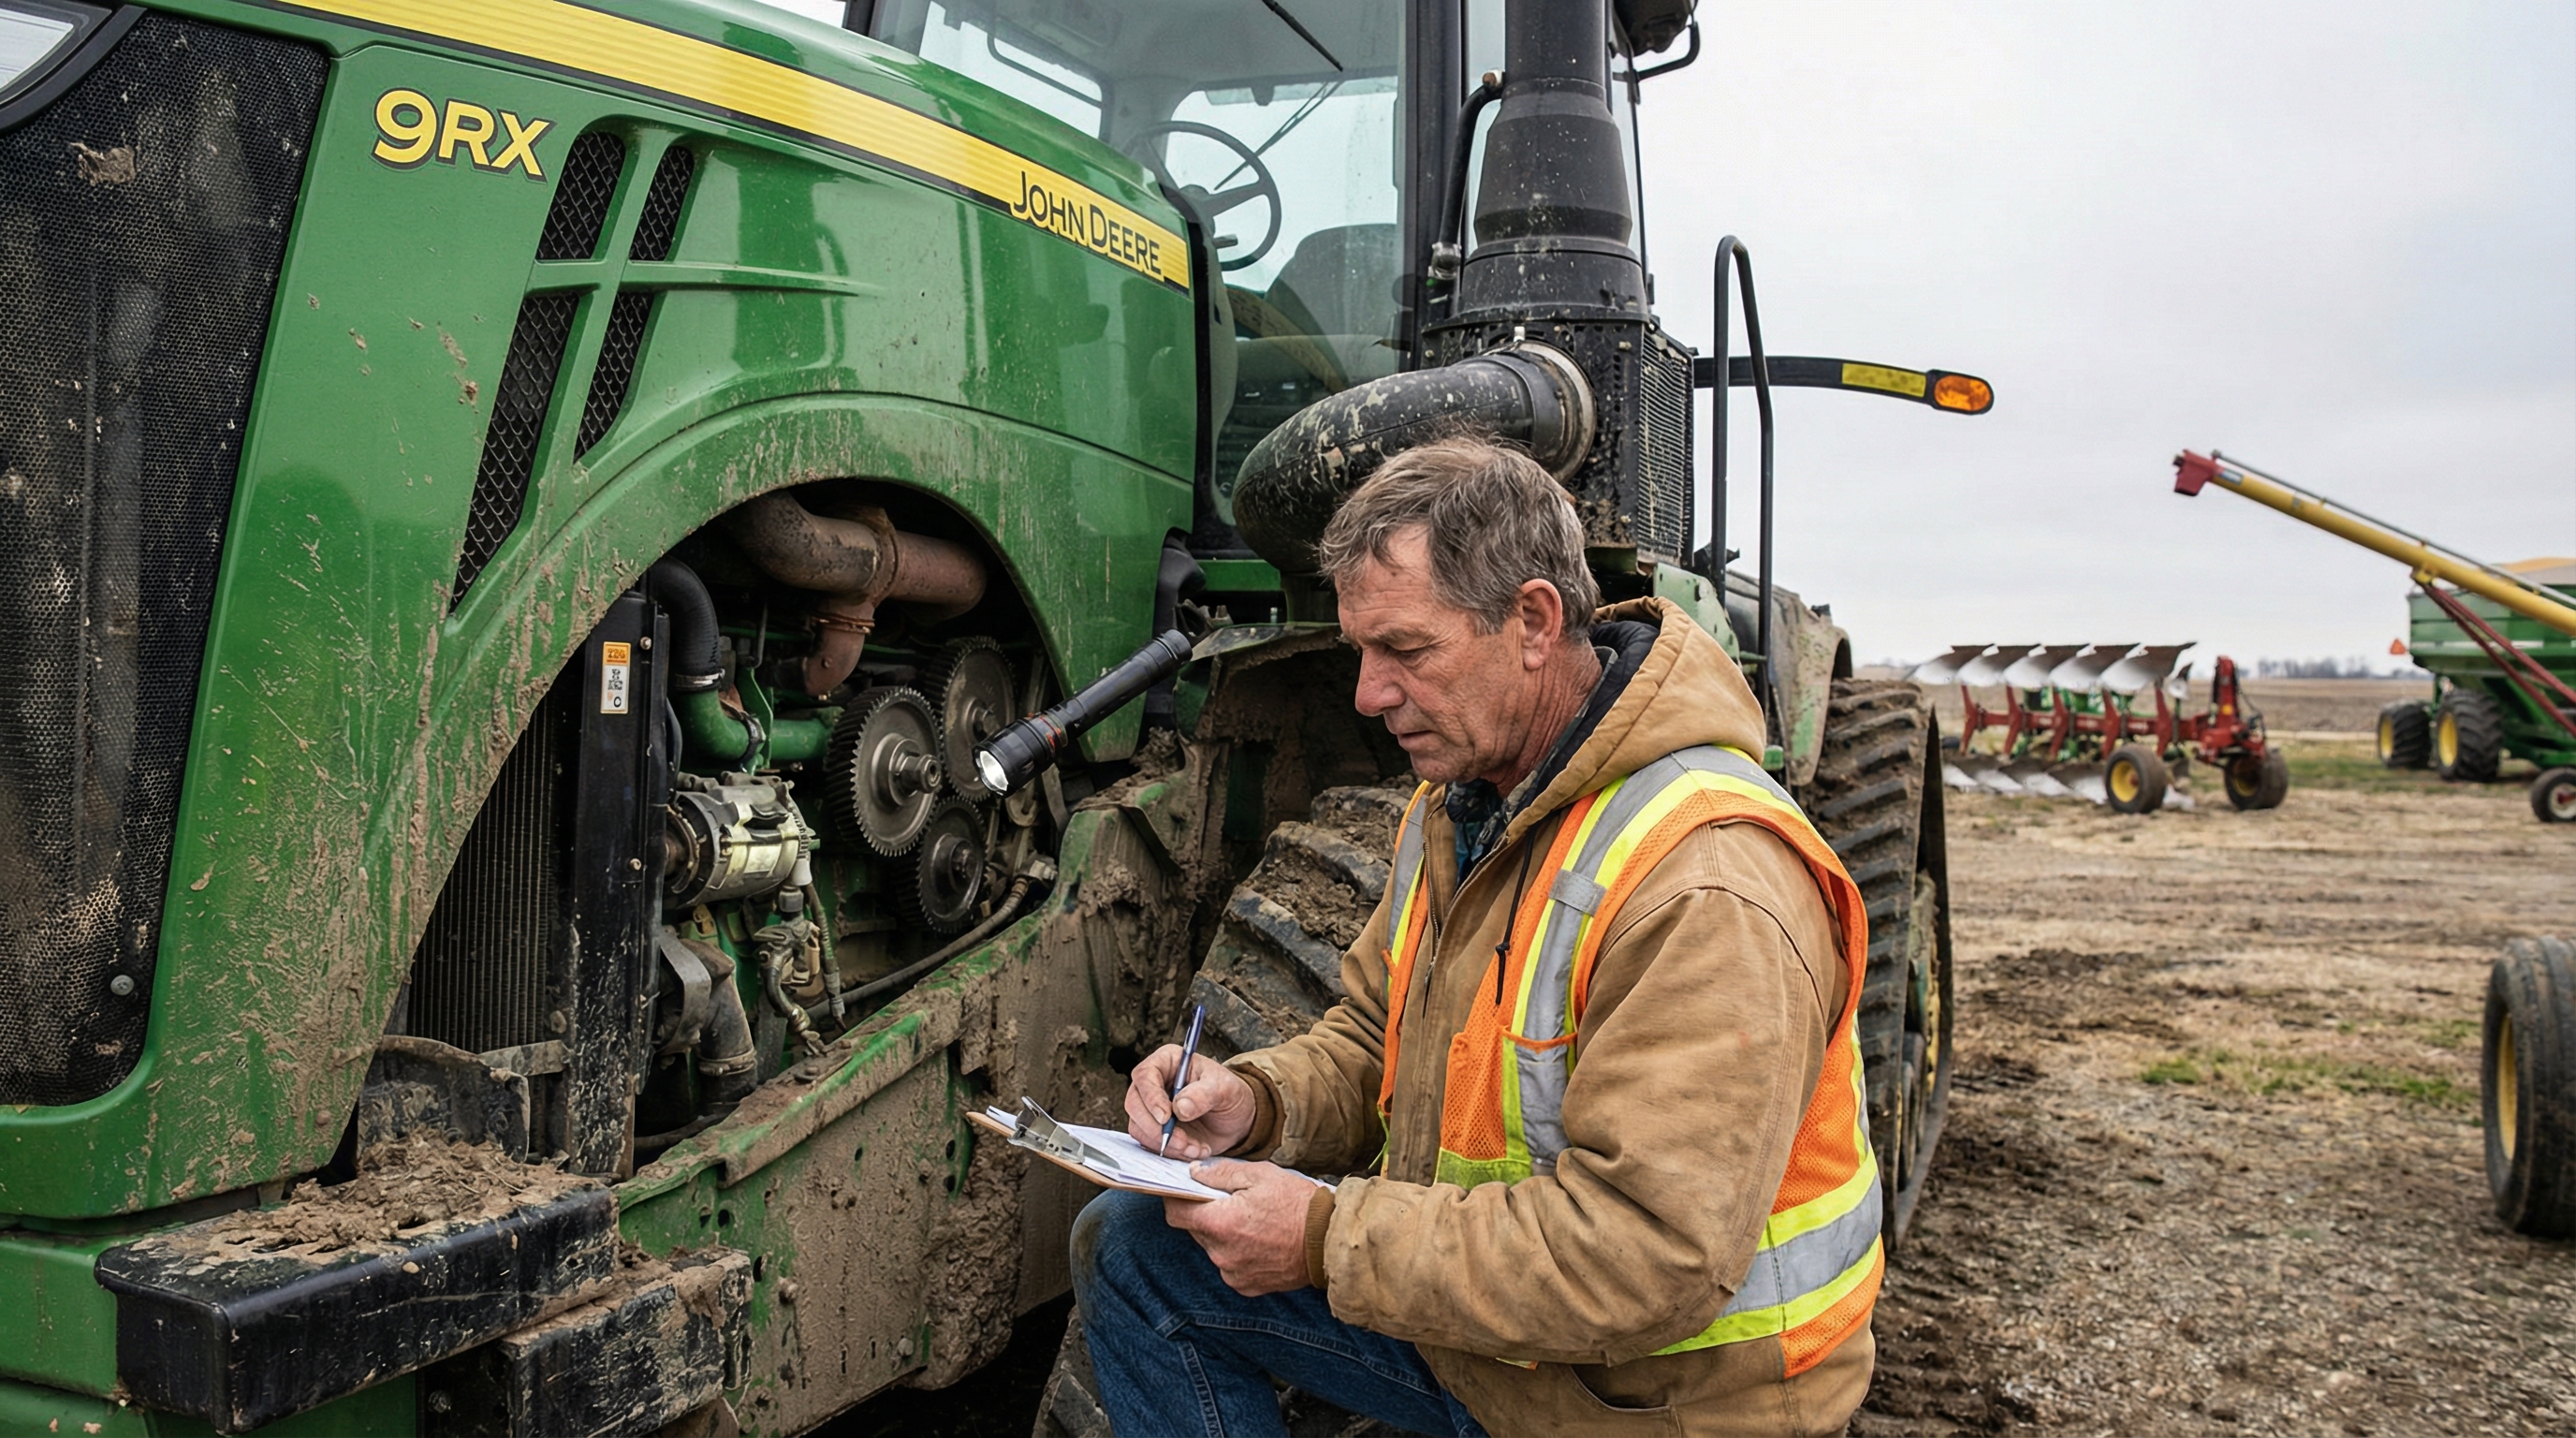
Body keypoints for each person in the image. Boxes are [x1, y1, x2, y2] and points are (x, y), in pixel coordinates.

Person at [1070, 437, 1881, 1436]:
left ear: (1533, 621)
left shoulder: (1705, 883)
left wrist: (1326, 1238)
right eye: (1361, 652)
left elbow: (1645, 1259)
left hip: (1647, 1406)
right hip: (1501, 1355)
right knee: (1137, 1247)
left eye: (1406, 651)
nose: (1368, 694)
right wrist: (1255, 1102)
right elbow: (1379, 1037)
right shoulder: (1460, 808)